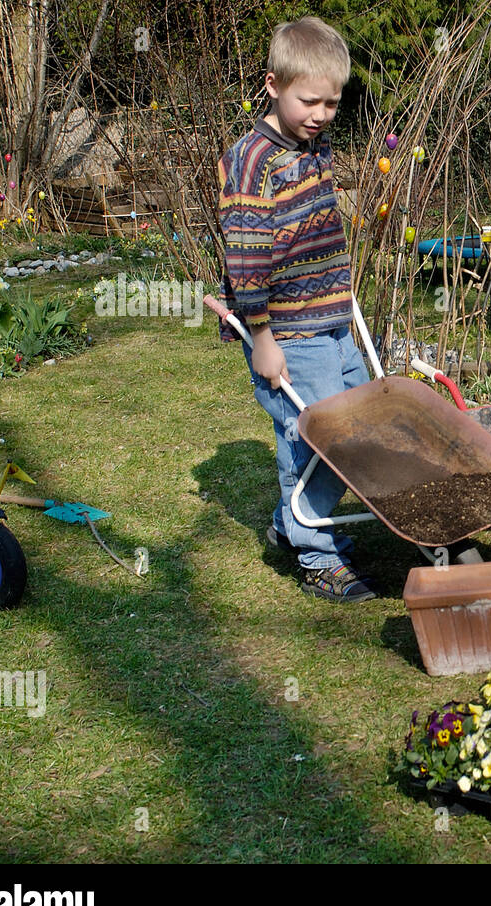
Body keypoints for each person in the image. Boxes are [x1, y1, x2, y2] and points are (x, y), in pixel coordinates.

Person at [216, 16, 375, 602]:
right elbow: (248, 258)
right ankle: (317, 557)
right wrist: (260, 335)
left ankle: (292, 525)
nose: (322, 114)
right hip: (286, 330)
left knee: (359, 429)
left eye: (333, 103)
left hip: (332, 319)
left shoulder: (313, 144)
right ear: (272, 85)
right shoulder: (251, 161)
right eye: (310, 100)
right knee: (313, 436)